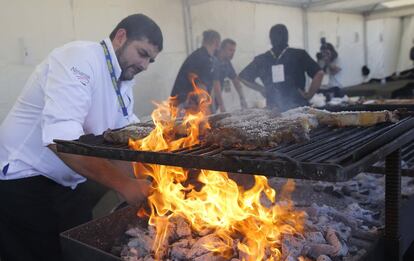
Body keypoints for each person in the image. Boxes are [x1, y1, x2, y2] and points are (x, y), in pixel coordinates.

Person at [0, 14, 162, 261]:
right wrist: (124, 185)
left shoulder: (123, 83)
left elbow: (119, 144)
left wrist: (149, 181)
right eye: (142, 53)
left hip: (68, 182)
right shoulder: (79, 58)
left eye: (151, 60)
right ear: (121, 37)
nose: (145, 65)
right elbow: (62, 142)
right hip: (24, 180)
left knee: (80, 249)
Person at [239, 24, 324, 112]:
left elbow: (243, 77)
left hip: (274, 110)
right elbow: (319, 73)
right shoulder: (299, 54)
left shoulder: (262, 59)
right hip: (298, 109)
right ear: (287, 37)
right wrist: (309, 95)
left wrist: (262, 89)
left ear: (270, 39)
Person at [170, 30, 220, 110]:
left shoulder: (203, 56)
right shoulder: (203, 58)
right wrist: (207, 111)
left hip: (186, 102)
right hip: (183, 103)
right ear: (216, 42)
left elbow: (209, 87)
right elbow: (201, 87)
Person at [211, 38, 248, 113]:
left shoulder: (226, 62)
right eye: (230, 50)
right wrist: (222, 106)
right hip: (206, 99)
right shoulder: (212, 60)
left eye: (234, 50)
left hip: (216, 100)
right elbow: (215, 84)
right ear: (221, 49)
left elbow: (235, 80)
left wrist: (242, 98)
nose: (233, 53)